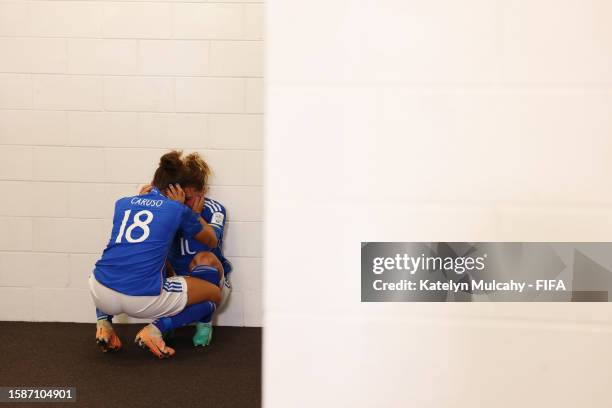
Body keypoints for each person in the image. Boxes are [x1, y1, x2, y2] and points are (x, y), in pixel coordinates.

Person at [89, 151, 223, 359]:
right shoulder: (178, 209)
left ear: (153, 182)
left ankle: (104, 324)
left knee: (116, 263)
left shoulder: (123, 202)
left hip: (99, 292)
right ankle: (155, 330)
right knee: (214, 293)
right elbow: (211, 240)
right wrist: (188, 211)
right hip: (142, 299)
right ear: (178, 190)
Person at [166, 152, 233, 346]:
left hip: (212, 284)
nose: (183, 203)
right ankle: (165, 323)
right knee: (156, 258)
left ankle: (204, 323)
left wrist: (193, 216)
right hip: (178, 283)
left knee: (204, 257)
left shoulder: (215, 209)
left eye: (188, 198)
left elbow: (212, 241)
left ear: (202, 191)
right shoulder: (171, 207)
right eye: (181, 197)